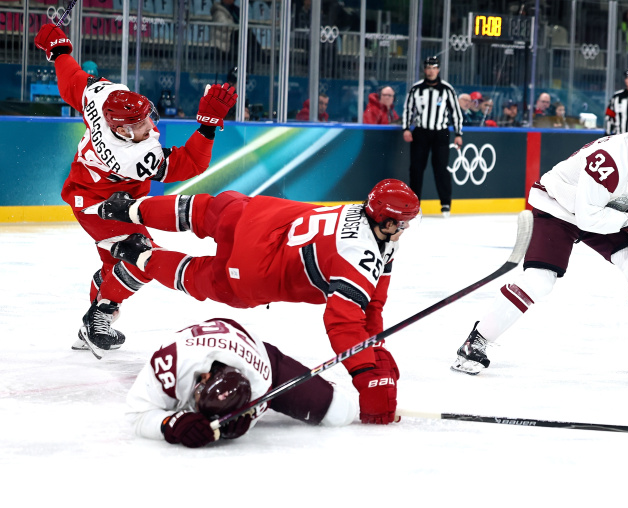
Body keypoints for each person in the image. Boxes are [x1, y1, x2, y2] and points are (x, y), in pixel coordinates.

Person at [86, 179, 420, 425]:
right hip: (254, 271)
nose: (405, 229)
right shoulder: (361, 255)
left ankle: (128, 208)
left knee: (203, 211)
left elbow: (372, 305)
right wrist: (369, 377)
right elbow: (345, 322)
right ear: (388, 222)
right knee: (203, 277)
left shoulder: (362, 215)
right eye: (403, 222)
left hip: (259, 217)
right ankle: (142, 257)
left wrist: (377, 354)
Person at [451, 106, 628, 377]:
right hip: (560, 208)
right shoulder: (609, 159)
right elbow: (589, 218)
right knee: (539, 280)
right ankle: (476, 340)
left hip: (607, 212)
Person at [33, 23, 237, 357]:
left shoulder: (102, 98)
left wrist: (58, 50)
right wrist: (208, 127)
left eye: (147, 116)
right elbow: (189, 164)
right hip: (99, 206)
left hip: (97, 193)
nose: (150, 125)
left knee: (116, 265)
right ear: (124, 132)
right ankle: (99, 315)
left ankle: (93, 323)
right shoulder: (131, 156)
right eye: (141, 125)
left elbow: (72, 81)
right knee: (143, 257)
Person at [126, 317, 358, 448]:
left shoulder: (260, 382)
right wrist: (169, 424)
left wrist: (237, 423)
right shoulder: (170, 365)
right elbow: (136, 415)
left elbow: (238, 417)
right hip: (205, 343)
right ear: (204, 377)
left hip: (265, 359)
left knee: (339, 412)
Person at [401, 55, 463, 217]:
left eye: (434, 68)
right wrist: (406, 128)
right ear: (424, 69)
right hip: (421, 132)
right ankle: (414, 205)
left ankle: (445, 204)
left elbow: (456, 112)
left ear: (438, 69)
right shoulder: (416, 88)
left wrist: (458, 133)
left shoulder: (447, 89)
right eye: (428, 68)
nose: (431, 71)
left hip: (440, 133)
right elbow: (408, 109)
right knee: (416, 169)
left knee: (441, 168)